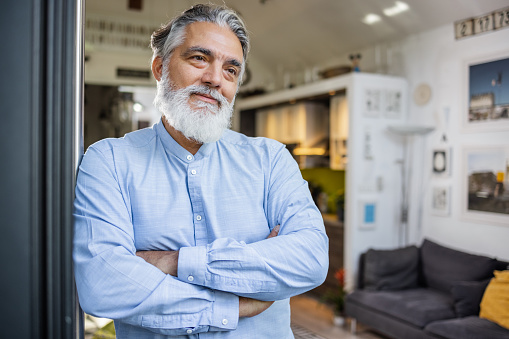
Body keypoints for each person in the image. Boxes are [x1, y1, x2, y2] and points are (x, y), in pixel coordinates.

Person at [73, 4, 328, 338]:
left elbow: (309, 258)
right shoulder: (108, 161)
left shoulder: (271, 160)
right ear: (160, 68)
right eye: (199, 58)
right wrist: (233, 306)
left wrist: (175, 262)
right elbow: (103, 283)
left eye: (231, 70)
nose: (214, 80)